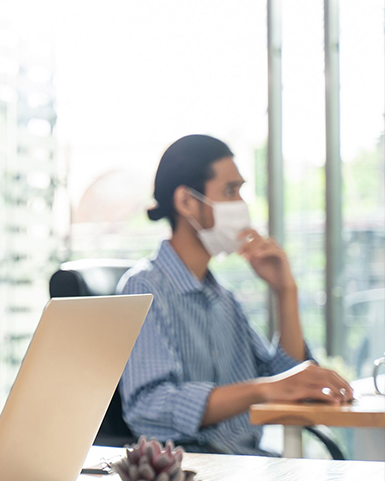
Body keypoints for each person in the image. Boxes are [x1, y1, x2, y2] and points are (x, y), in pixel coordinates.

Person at [118, 134, 353, 455]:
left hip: (251, 464)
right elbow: (149, 406)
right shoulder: (145, 287)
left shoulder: (222, 298)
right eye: (230, 191)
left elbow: (283, 378)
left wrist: (285, 290)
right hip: (198, 474)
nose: (241, 205)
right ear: (186, 202)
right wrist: (263, 390)